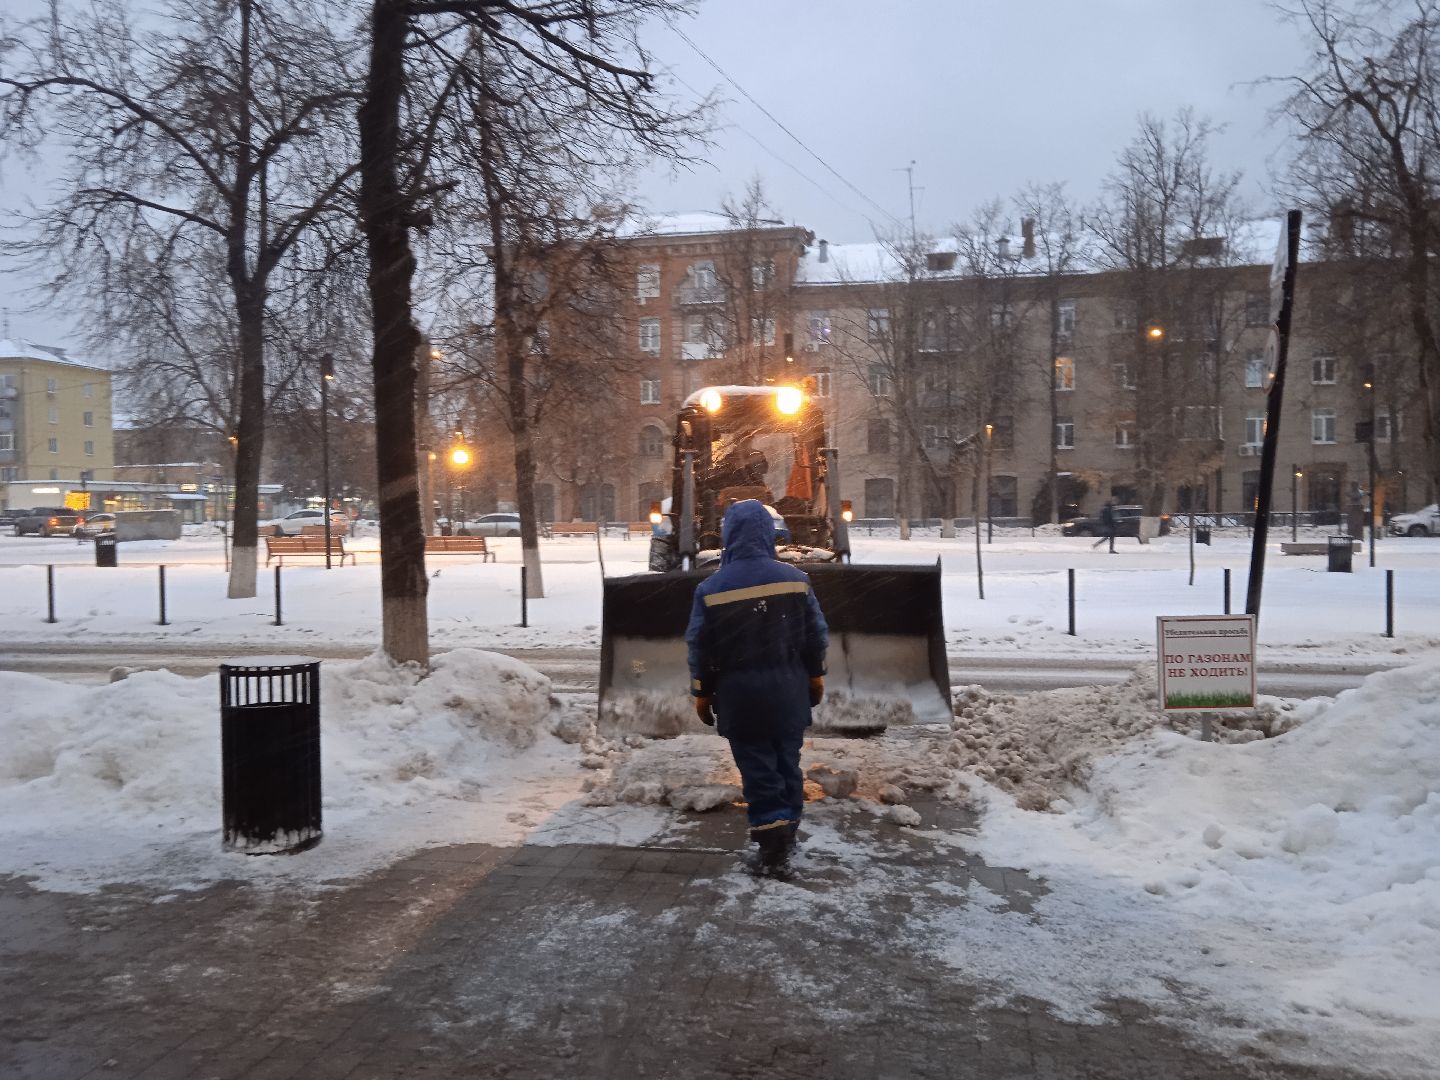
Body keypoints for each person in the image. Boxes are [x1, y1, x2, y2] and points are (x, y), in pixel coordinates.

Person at [685, 499, 828, 876]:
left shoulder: (711, 588)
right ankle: (789, 829)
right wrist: (815, 674)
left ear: (728, 535)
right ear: (770, 533)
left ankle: (773, 848)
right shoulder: (797, 580)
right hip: (789, 692)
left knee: (759, 769)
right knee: (787, 763)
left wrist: (702, 690)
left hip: (740, 697)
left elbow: (701, 645)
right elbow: (815, 635)